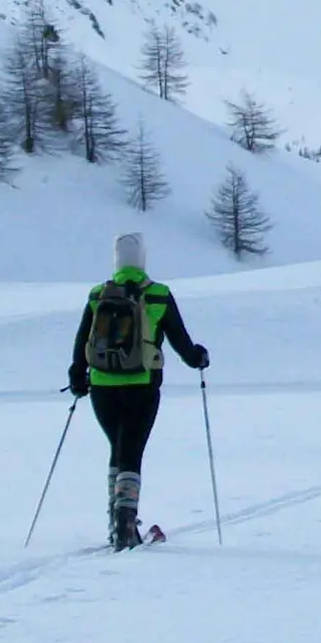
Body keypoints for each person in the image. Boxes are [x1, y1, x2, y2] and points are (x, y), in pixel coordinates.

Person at [68, 232, 209, 549]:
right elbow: (182, 344)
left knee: (117, 448)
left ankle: (115, 521)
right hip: (142, 385)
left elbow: (81, 343)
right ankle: (125, 525)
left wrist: (79, 376)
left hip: (102, 386)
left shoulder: (96, 295)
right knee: (132, 449)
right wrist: (199, 357)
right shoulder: (158, 294)